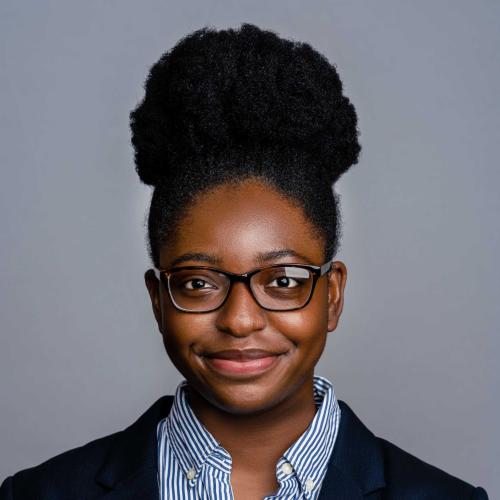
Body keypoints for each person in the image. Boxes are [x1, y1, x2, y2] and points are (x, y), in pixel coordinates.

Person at [0, 23, 489, 500]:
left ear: (332, 295)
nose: (239, 319)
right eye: (197, 284)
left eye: (282, 280)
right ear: (157, 300)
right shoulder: (37, 493)